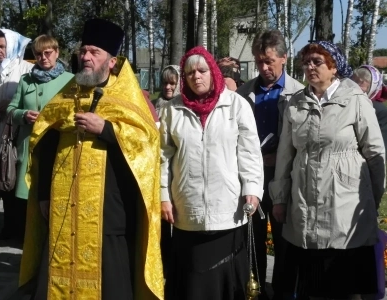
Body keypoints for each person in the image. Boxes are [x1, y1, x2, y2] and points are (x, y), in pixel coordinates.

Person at [19, 19, 163, 300]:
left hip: (110, 216)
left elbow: (147, 146)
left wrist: (107, 130)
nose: (85, 57)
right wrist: (44, 197)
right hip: (62, 211)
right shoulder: (65, 95)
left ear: (111, 61)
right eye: (83, 50)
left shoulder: (128, 98)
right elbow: (45, 141)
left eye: (94, 52)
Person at [269, 41, 385, 299]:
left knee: (344, 285)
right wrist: (279, 199)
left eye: (317, 62)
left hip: (345, 204)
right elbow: (286, 155)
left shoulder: (355, 100)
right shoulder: (296, 103)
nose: (310, 67)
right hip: (305, 203)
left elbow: (375, 154)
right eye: (306, 62)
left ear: (334, 67)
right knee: (313, 285)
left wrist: (371, 199)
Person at [160, 46, 264, 300]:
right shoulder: (172, 110)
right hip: (188, 211)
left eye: (202, 70)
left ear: (213, 71)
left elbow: (249, 153)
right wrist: (164, 195)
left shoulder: (236, 105)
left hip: (228, 210)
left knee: (227, 287)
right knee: (193, 286)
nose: (196, 76)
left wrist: (252, 189)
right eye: (190, 72)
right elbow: (163, 157)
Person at [236, 29, 304, 300]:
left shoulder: (298, 93)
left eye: (270, 61)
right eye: (259, 61)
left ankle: (285, 292)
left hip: (286, 178)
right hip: (252, 177)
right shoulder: (243, 93)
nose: (264, 67)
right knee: (252, 239)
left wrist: (281, 159)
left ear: (284, 58)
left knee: (285, 239)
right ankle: (257, 290)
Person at [4, 35, 74, 241]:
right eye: (38, 54)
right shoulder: (26, 80)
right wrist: (23, 115)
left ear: (57, 53)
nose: (43, 58)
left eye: (48, 53)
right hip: (29, 150)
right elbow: (11, 110)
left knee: (54, 199)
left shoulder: (70, 80)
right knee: (30, 202)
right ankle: (29, 249)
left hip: (58, 148)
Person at [0, 29, 33, 235]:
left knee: (11, 175)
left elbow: (29, 96)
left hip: (14, 133)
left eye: (2, 46)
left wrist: (12, 103)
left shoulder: (26, 69)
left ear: (13, 46)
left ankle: (13, 225)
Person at [352, 65, 387, 151]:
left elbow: (380, 146)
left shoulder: (378, 109)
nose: (355, 88)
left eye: (361, 85)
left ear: (372, 88)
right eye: (354, 82)